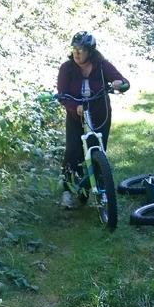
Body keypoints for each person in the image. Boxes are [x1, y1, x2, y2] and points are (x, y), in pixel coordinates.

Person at [56, 31, 130, 209]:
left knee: (98, 151)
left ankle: (98, 186)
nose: (76, 53)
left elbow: (124, 81)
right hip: (76, 116)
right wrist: (76, 107)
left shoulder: (102, 65)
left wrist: (120, 84)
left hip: (99, 114)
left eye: (80, 50)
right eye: (74, 49)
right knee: (73, 151)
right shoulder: (66, 68)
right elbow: (61, 95)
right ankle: (68, 189)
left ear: (90, 51)